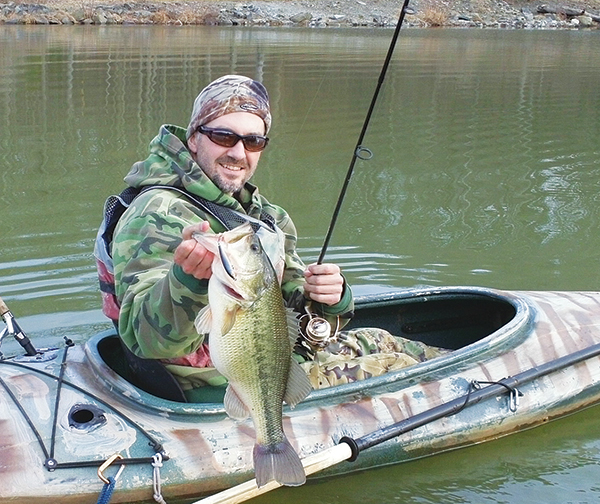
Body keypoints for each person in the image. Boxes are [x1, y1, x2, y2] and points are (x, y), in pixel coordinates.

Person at [100, 75, 443, 401]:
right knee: (404, 368)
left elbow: (299, 318)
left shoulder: (264, 216)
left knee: (381, 339)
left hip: (275, 361)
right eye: (223, 136)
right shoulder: (159, 211)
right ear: (193, 137)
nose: (238, 152)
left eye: (253, 141)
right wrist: (186, 282)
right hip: (224, 387)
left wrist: (332, 297)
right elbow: (145, 340)